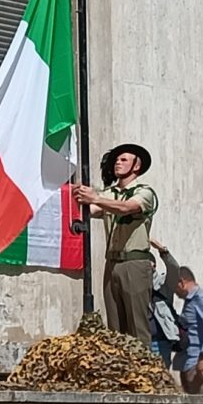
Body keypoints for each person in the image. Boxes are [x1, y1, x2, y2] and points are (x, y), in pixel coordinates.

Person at [73, 142, 158, 346]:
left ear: (136, 166)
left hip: (134, 263)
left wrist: (95, 198)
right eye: (116, 160)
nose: (117, 163)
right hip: (112, 263)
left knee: (137, 325)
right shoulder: (109, 193)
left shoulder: (144, 192)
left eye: (123, 160)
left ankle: (142, 373)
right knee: (115, 326)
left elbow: (126, 207)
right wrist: (77, 196)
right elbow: (92, 210)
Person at [172, 266, 203, 394]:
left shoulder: (201, 298)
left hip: (201, 364)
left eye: (175, 286)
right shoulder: (190, 301)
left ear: (182, 282)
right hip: (190, 361)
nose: (174, 292)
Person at [149, 237, 181, 367]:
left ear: (154, 265)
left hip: (160, 342)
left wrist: (162, 250)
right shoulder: (134, 286)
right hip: (140, 340)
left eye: (147, 261)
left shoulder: (163, 284)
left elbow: (174, 269)